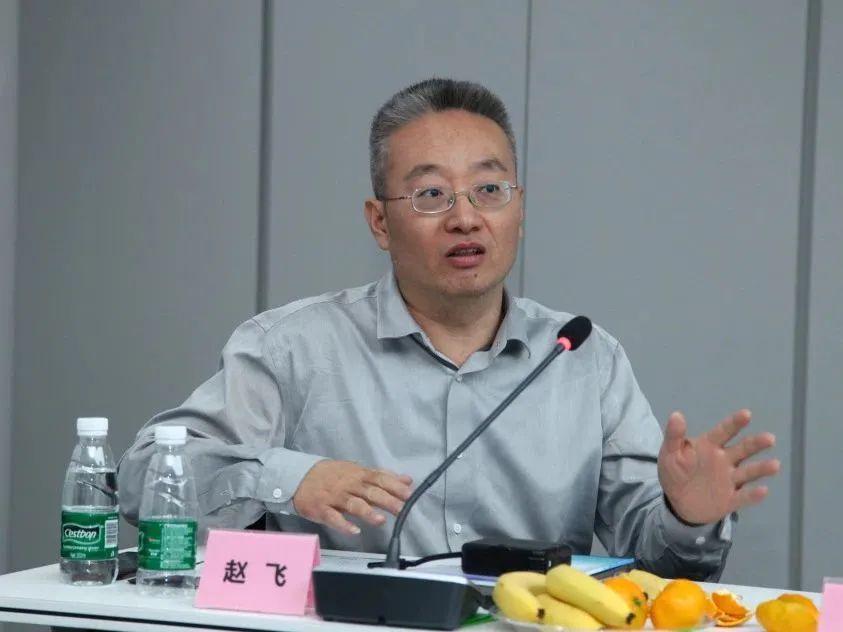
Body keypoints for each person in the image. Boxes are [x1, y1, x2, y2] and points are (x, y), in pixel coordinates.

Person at [117, 78, 780, 580]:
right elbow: (143, 480)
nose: (465, 217)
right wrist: (290, 478)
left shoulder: (584, 358)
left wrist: (687, 516)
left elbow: (663, 570)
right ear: (380, 222)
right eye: (431, 194)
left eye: (489, 190)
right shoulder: (291, 347)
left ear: (519, 209)